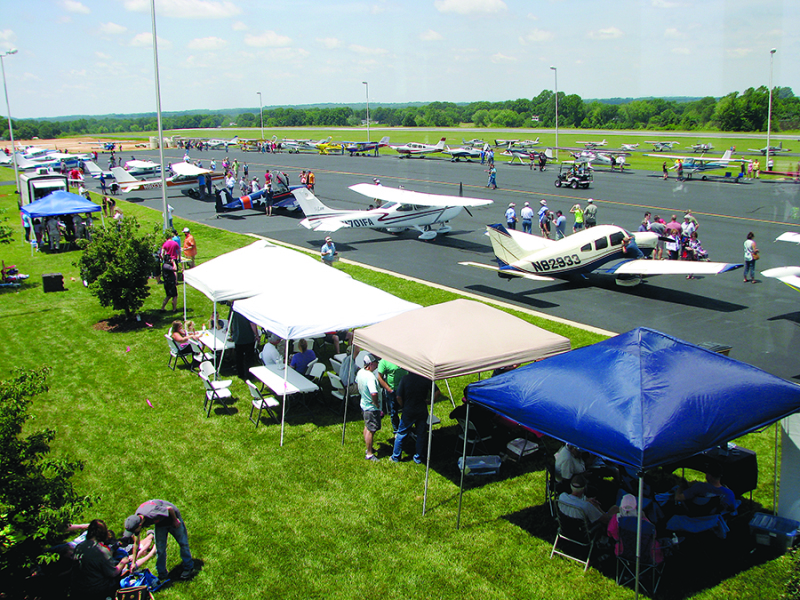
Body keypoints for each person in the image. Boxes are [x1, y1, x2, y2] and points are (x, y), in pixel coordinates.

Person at [72, 519, 153, 600]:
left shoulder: (79, 547)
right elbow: (113, 573)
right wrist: (122, 562)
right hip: (98, 589)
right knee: (125, 571)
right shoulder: (101, 551)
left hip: (80, 588)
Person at [123, 500, 194, 581]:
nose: (133, 533)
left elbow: (169, 509)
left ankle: (188, 567)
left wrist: (175, 520)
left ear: (139, 525)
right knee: (160, 549)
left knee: (183, 543)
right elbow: (136, 543)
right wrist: (133, 562)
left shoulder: (151, 513)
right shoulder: (136, 520)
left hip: (171, 516)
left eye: (133, 531)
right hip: (160, 521)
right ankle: (162, 574)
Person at [391, 372, 439, 464]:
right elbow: (437, 392)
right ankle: (418, 457)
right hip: (421, 410)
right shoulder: (426, 379)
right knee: (421, 434)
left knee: (401, 433)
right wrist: (431, 401)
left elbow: (398, 396)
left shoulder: (405, 379)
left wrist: (403, 406)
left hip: (408, 411)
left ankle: (396, 457)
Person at [356, 353, 382, 461]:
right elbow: (374, 393)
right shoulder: (370, 377)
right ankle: (370, 454)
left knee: (367, 427)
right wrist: (376, 404)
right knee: (371, 429)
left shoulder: (360, 372)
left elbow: (357, 382)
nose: (377, 365)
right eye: (376, 363)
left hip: (364, 404)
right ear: (370, 364)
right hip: (371, 408)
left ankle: (368, 447)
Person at [377, 359, 408, 434]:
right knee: (394, 411)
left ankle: (407, 426)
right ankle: (397, 430)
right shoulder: (383, 361)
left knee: (408, 408)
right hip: (393, 391)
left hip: (406, 389)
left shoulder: (403, 356)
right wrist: (388, 389)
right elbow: (379, 377)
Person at [230, 311, 258, 379]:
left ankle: (240, 374)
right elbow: (252, 324)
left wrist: (232, 333)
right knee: (249, 358)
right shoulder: (248, 309)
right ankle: (250, 375)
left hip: (238, 337)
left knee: (239, 357)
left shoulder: (234, 309)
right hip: (248, 338)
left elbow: (230, 322)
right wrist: (256, 335)